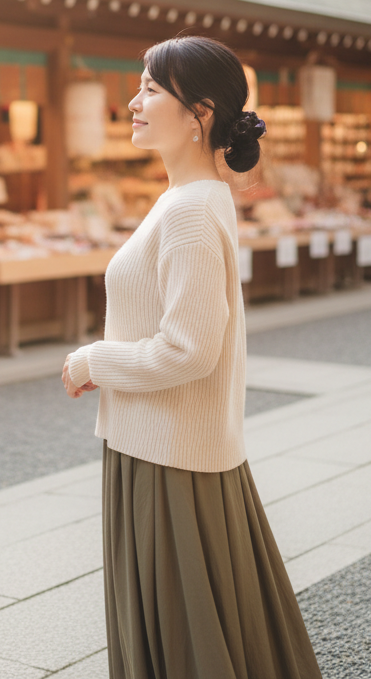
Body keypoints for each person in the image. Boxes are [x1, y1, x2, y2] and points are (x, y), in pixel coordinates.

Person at [63, 36, 322, 679]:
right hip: (165, 443)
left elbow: (190, 349)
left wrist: (96, 361)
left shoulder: (188, 210)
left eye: (151, 89)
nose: (134, 101)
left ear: (200, 114)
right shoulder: (193, 200)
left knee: (180, 635)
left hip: (168, 452)